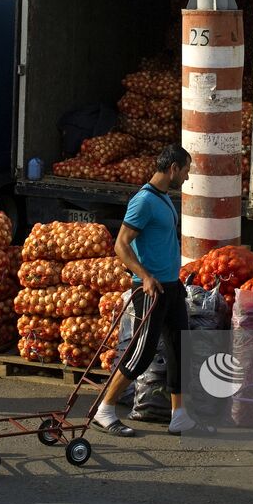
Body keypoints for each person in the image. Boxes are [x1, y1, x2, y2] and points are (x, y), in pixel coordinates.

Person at [93, 144, 200, 437]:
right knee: (142, 353)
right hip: (150, 289)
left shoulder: (163, 198)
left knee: (181, 349)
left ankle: (179, 416)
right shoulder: (143, 201)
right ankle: (105, 409)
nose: (188, 176)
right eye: (187, 170)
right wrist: (145, 276)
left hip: (171, 287)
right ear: (173, 169)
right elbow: (121, 245)